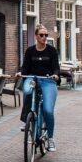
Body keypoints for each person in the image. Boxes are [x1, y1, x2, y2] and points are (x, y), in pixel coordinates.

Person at [16, 24, 60, 152]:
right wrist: (20, 72)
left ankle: (50, 139)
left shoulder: (52, 51)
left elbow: (56, 67)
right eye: (41, 35)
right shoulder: (30, 51)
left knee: (47, 110)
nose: (44, 37)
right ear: (36, 36)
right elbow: (25, 67)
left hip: (48, 81)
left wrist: (56, 75)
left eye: (46, 35)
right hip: (32, 78)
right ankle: (27, 119)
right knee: (27, 90)